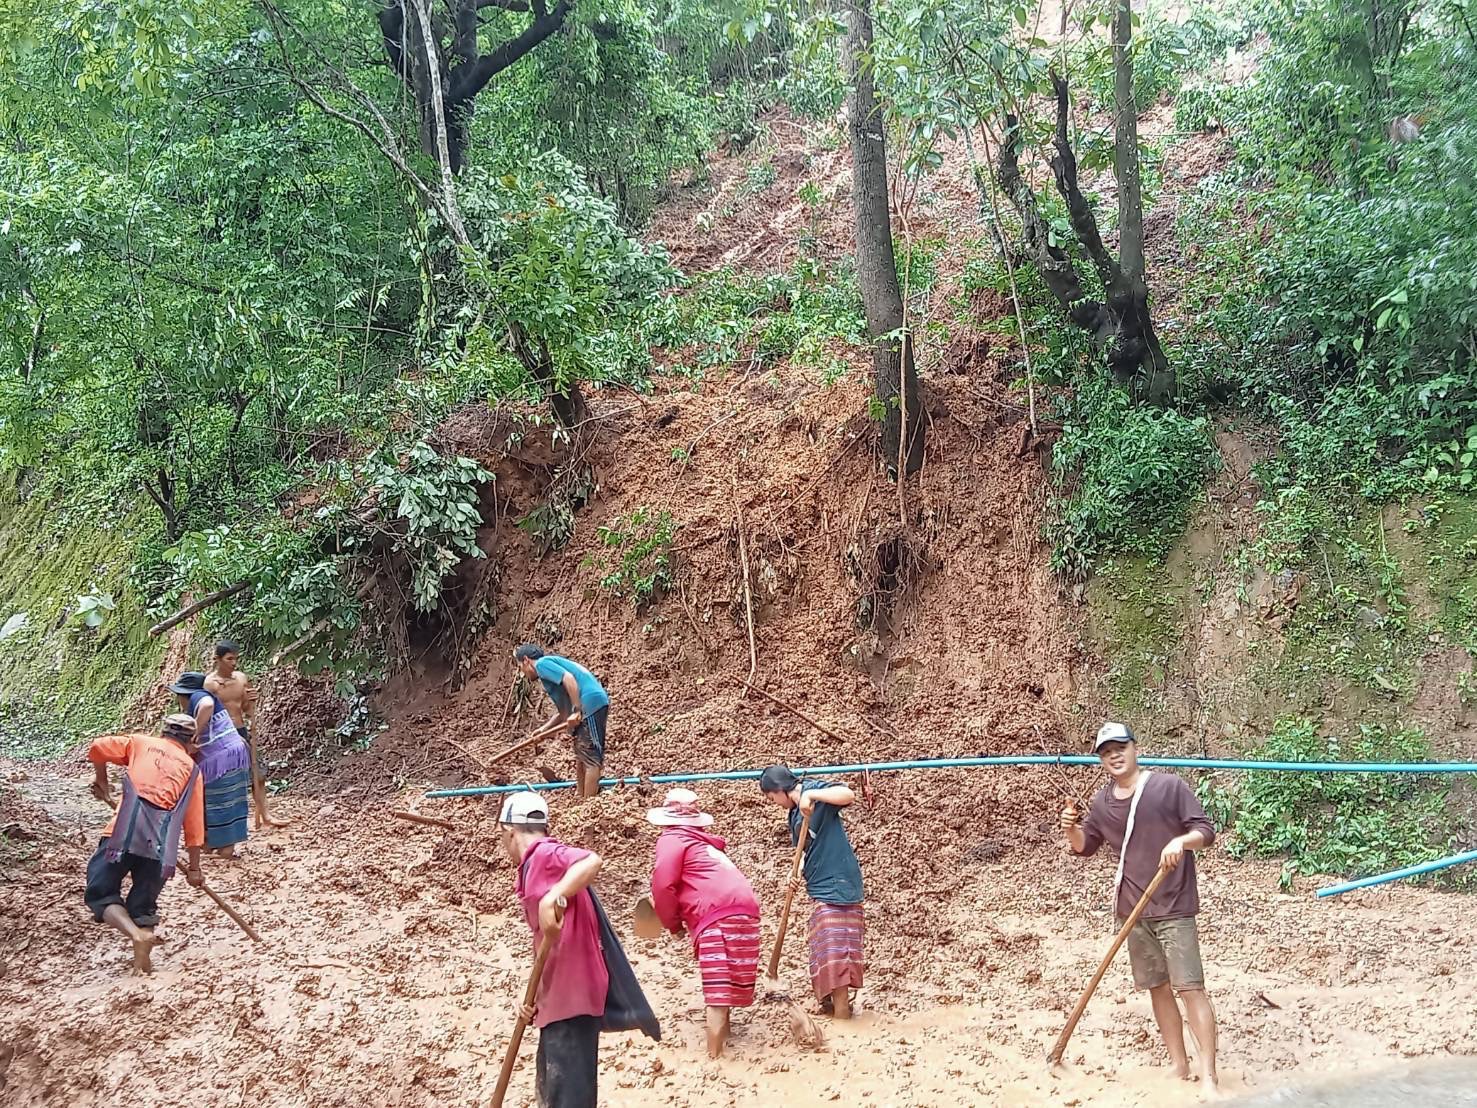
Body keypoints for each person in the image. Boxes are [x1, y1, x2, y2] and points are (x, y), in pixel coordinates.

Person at [1061, 722, 1221, 1097]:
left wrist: (1181, 842)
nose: (1114, 755)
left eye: (1120, 747)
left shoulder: (1168, 787)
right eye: (1106, 751)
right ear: (1101, 760)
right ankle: (1179, 1066)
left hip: (1174, 905)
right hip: (1132, 909)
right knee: (1157, 988)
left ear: (1135, 748)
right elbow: (1086, 846)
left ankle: (1210, 1076)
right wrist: (1071, 828)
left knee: (1190, 988)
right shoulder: (1102, 802)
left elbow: (1205, 832)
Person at [501, 791, 607, 1107]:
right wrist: (535, 1000)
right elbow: (546, 939)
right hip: (557, 997)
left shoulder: (544, 853)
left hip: (573, 994)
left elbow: (592, 860)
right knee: (551, 1092)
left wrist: (555, 894)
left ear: (508, 830)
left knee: (568, 1098)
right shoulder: (533, 864)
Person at [85, 713, 206, 974]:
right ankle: (143, 964)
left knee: (101, 890)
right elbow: (194, 823)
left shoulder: (138, 743)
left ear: (163, 732)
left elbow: (97, 748)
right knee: (144, 903)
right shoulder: (192, 770)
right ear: (192, 740)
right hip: (161, 843)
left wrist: (102, 781)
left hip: (122, 832)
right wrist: (194, 869)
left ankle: (135, 936)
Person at [646, 788, 762, 1058]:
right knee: (727, 977)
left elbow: (663, 886)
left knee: (716, 990)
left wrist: (672, 925)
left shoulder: (672, 838)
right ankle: (726, 1037)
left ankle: (715, 1058)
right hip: (746, 910)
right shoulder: (705, 845)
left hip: (716, 913)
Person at [759, 764, 864, 1019]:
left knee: (838, 948)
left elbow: (848, 794)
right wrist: (795, 872)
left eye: (772, 798)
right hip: (818, 885)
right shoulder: (794, 815)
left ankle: (842, 1014)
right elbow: (805, 850)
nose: (775, 803)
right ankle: (831, 1007)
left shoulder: (815, 791)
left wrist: (812, 796)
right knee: (824, 946)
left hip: (838, 883)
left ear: (780, 790)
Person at [206, 640, 287, 830]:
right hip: (221, 735)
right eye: (229, 659)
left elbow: (243, 707)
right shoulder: (209, 684)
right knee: (227, 780)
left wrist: (250, 702)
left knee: (257, 774)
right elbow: (206, 711)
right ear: (217, 659)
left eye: (236, 659)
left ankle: (265, 815)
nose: (233, 663)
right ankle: (224, 824)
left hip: (241, 730)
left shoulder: (241, 678)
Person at [170, 670, 251, 857]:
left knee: (221, 800)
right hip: (229, 755)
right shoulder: (198, 703)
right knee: (217, 801)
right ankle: (210, 843)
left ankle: (226, 848)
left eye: (179, 696)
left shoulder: (200, 696)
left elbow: (206, 706)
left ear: (185, 694)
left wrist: (194, 733)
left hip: (223, 758)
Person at [512, 644, 610, 798]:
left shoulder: (542, 664)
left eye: (520, 667)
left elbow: (568, 678)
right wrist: (544, 730)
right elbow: (564, 713)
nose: (522, 673)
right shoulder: (548, 674)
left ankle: (589, 805)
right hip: (586, 704)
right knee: (581, 756)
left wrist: (577, 710)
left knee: (590, 758)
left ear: (526, 660)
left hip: (590, 704)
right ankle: (581, 799)